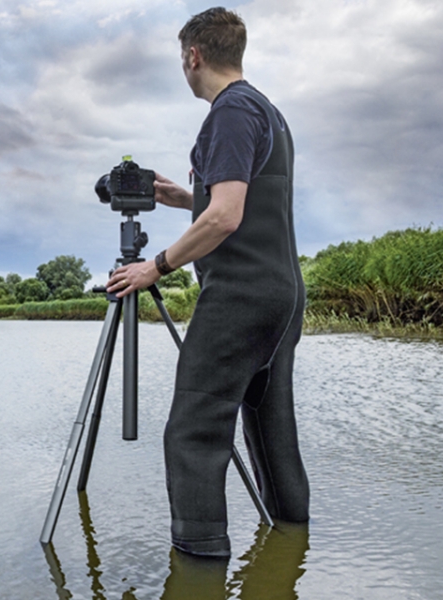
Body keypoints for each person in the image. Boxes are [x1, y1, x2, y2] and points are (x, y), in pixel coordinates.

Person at [107, 7, 309, 558]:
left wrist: (155, 266)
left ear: (194, 55)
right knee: (273, 435)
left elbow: (225, 217)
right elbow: (236, 199)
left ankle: (198, 571)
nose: (183, 66)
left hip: (240, 297)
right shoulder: (266, 110)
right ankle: (290, 554)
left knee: (193, 434)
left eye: (182, 58)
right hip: (280, 296)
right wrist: (185, 197)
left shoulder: (230, 112)